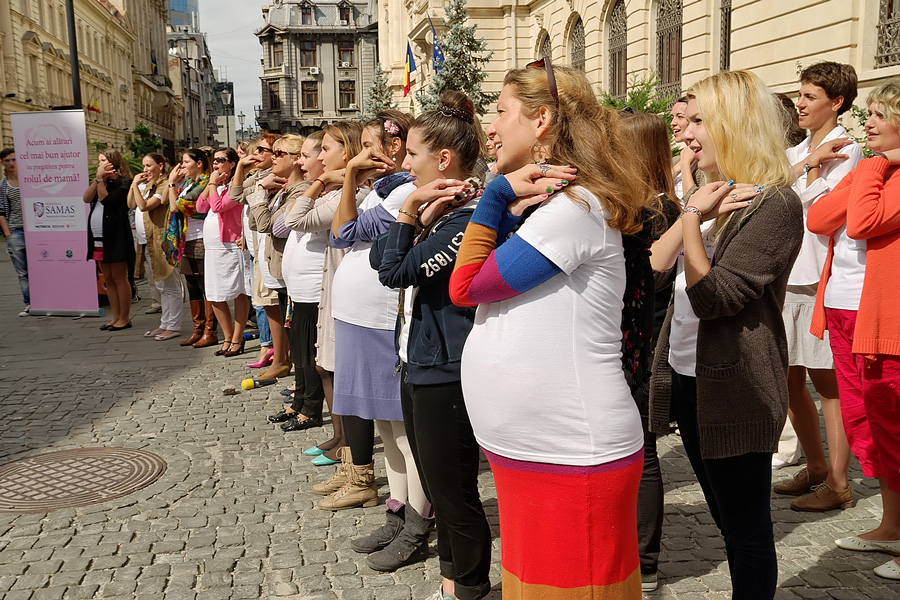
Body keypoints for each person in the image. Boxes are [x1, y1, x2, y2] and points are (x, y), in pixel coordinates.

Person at [448, 61, 647, 599]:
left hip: (571, 451)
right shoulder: (557, 207)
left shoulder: (576, 209)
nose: (489, 125)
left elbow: (466, 286)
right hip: (540, 451)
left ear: (541, 122)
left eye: (500, 111)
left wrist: (491, 201)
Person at [647, 70, 802, 599]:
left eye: (698, 121)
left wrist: (691, 216)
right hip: (693, 379)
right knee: (727, 520)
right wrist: (695, 207)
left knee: (746, 530)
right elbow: (654, 265)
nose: (686, 134)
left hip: (737, 387)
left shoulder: (776, 204)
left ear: (734, 124)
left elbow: (713, 297)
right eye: (686, 121)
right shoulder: (719, 195)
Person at [371, 94, 492, 599]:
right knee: (439, 485)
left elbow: (395, 271)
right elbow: (384, 259)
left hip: (446, 368)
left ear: (443, 159)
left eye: (412, 154)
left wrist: (408, 215)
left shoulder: (467, 221)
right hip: (418, 361)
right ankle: (452, 580)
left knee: (454, 490)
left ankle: (468, 585)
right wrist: (415, 219)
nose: (403, 163)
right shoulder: (443, 215)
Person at [322, 111, 427, 558]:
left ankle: (420, 521)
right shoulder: (379, 190)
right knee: (384, 426)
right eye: (361, 145)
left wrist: (349, 175)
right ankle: (397, 510)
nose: (367, 153)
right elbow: (341, 233)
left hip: (382, 317)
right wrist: (353, 178)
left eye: (372, 144)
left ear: (397, 145)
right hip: (358, 315)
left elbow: (345, 233)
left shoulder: (405, 189)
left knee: (402, 428)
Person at [808, 79, 900, 581]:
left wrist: (868, 168)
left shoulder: (879, 170)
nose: (868, 123)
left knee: (895, 425)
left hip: (882, 317)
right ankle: (891, 525)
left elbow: (862, 224)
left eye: (879, 115)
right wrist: (873, 170)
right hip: (843, 309)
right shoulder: (879, 170)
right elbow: (820, 218)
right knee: (872, 423)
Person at [772, 62, 863, 511]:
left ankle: (840, 483)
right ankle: (816, 466)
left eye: (809, 96)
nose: (801, 104)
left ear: (837, 102)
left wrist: (803, 180)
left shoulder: (849, 149)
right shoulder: (800, 151)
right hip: (788, 276)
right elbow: (774, 192)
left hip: (820, 279)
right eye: (801, 94)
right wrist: (807, 167)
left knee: (829, 386)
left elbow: (819, 215)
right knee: (790, 382)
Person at [617, 109, 682, 593]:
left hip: (643, 343)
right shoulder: (637, 202)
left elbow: (655, 274)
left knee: (643, 453)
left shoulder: (660, 210)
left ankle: (646, 562)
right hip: (626, 340)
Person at [284, 120, 363, 465]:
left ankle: (349, 443)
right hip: (327, 285)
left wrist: (317, 183)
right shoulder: (338, 188)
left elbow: (295, 219)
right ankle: (339, 436)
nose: (311, 160)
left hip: (337, 287)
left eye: (326, 149)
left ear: (345, 152)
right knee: (323, 365)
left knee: (332, 367)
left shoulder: (352, 190)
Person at [271, 132, 329, 433]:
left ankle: (310, 409)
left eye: (306, 156)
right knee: (301, 351)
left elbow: (285, 222)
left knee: (310, 353)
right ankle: (300, 402)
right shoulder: (309, 191)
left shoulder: (323, 192)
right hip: (298, 289)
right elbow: (274, 222)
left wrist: (313, 187)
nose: (300, 162)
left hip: (313, 288)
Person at [197, 147, 251, 356]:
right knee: (214, 292)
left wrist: (212, 183)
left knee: (237, 291)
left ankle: (238, 337)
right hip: (212, 248)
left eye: (221, 159)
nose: (216, 163)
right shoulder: (216, 186)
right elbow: (201, 207)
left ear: (233, 164)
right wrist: (212, 183)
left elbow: (219, 207)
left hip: (230, 245)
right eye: (214, 159)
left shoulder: (237, 186)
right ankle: (227, 336)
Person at [127, 152, 182, 341]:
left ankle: (173, 325)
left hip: (162, 240)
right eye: (143, 166)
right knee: (161, 285)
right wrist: (135, 184)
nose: (145, 170)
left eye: (149, 166)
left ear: (160, 165)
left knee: (170, 284)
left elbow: (144, 206)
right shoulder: (149, 184)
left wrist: (134, 184)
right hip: (148, 241)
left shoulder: (164, 183)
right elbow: (131, 203)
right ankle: (165, 323)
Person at [165, 148, 215, 347]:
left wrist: (170, 184)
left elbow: (177, 205)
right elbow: (165, 201)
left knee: (205, 286)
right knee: (192, 285)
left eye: (186, 162)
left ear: (199, 163)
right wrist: (173, 183)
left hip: (202, 238)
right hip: (187, 239)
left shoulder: (205, 182)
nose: (182, 166)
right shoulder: (187, 183)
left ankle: (210, 330)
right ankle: (198, 328)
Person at [84, 149, 136, 331]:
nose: (100, 164)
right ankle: (115, 317)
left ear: (113, 162)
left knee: (120, 277)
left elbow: (107, 200)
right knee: (108, 278)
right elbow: (86, 198)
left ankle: (124, 317)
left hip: (116, 236)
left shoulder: (124, 182)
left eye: (103, 160)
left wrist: (100, 181)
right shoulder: (100, 181)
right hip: (98, 238)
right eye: (99, 161)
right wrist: (98, 180)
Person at [0, 148, 29, 316]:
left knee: (41, 267)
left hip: (35, 230)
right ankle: (29, 303)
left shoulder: (29, 180)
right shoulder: (3, 185)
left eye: (14, 159)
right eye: (7, 161)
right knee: (22, 272)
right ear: (2, 163)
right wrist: (8, 233)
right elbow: (1, 211)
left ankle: (46, 300)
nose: (11, 163)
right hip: (16, 231)